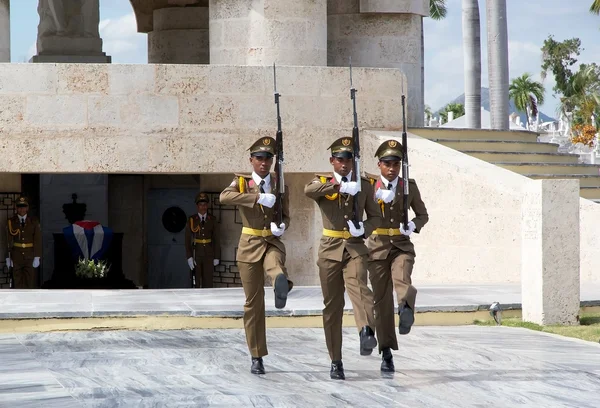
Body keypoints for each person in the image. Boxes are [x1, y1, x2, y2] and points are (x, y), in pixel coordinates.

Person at [304, 136, 381, 380]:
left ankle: (366, 332)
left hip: (355, 247)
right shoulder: (323, 182)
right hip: (329, 250)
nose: (344, 164)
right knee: (332, 307)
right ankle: (335, 359)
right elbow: (308, 190)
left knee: (360, 287)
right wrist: (338, 186)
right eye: (340, 159)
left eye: (348, 159)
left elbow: (377, 218)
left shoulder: (365, 185)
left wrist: (364, 229)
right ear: (332, 161)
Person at [219, 136, 293, 375]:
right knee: (253, 303)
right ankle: (257, 355)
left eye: (268, 158)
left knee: (275, 265)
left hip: (271, 240)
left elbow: (287, 215)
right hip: (249, 243)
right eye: (259, 158)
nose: (264, 162)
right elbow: (224, 197)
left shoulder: (279, 183)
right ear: (251, 160)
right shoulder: (241, 182)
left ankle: (281, 284)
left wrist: (282, 226)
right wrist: (257, 197)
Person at [365, 139, 429, 372]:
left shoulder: (408, 186)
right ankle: (386, 350)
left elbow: (423, 214)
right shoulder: (368, 186)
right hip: (377, 247)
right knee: (380, 302)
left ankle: (405, 309)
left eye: (396, 164)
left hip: (401, 245)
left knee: (402, 278)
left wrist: (412, 225)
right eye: (388, 164)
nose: (392, 168)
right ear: (379, 164)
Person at [185, 192, 221, 288]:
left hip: (209, 254)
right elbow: (187, 240)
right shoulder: (192, 220)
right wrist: (189, 257)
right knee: (196, 280)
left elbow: (216, 239)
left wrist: (217, 256)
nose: (203, 207)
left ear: (207, 205)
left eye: (205, 205)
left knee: (208, 281)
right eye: (200, 205)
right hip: (196, 253)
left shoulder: (212, 219)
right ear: (197, 206)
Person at [6, 197, 42, 289]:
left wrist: (37, 256)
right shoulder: (11, 222)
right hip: (16, 256)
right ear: (16, 208)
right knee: (17, 281)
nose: (22, 209)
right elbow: (8, 241)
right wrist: (8, 257)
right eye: (20, 207)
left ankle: (28, 302)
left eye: (24, 207)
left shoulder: (33, 222)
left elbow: (37, 240)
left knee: (29, 281)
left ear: (27, 208)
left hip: (29, 256)